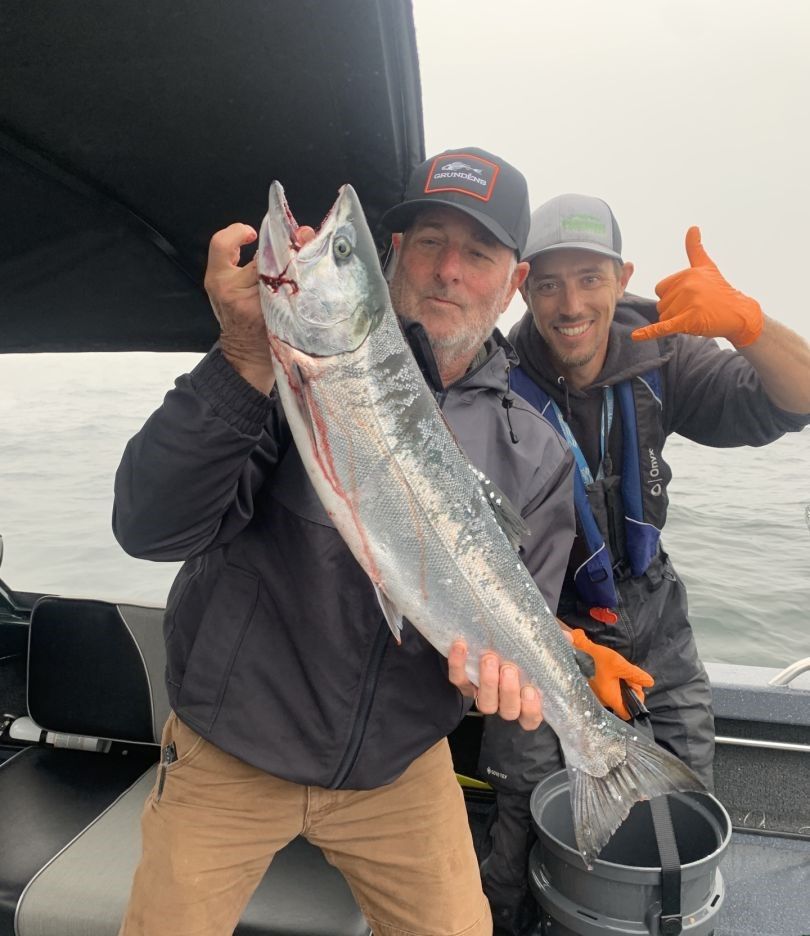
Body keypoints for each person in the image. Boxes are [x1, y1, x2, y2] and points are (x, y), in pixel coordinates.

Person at [112, 147, 584, 936]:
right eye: (429, 241)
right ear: (391, 256)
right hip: (232, 748)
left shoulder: (534, 451)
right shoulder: (278, 367)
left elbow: (517, 620)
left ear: (513, 283)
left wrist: (502, 685)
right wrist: (240, 360)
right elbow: (149, 527)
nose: (448, 272)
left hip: (400, 771)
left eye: (479, 253)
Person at [479, 192, 810, 934]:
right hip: (544, 621)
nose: (572, 304)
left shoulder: (663, 352)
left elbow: (796, 399)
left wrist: (750, 327)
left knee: (685, 790)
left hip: (652, 612)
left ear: (623, 277)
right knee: (526, 802)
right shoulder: (491, 387)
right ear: (524, 286)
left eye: (592, 279)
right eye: (551, 283)